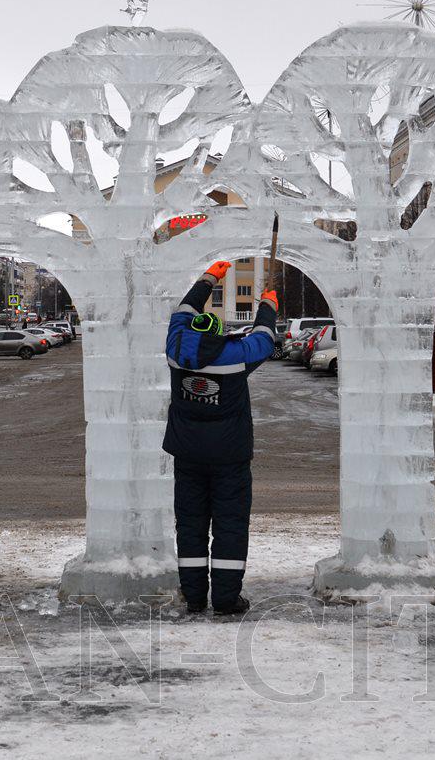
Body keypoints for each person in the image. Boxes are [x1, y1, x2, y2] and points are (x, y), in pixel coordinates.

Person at [163, 260, 278, 616]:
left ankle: (195, 597)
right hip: (230, 458)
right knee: (230, 526)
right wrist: (269, 305)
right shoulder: (234, 356)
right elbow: (264, 339)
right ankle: (227, 599)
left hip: (188, 457)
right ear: (216, 334)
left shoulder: (175, 350)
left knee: (191, 526)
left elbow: (182, 312)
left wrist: (207, 279)